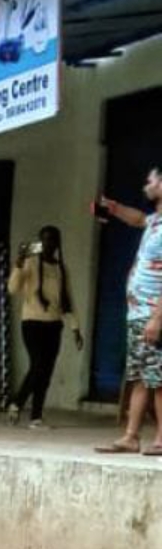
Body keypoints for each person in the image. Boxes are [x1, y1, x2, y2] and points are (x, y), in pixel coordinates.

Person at [97, 166, 162, 455]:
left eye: (150, 180)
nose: (145, 185)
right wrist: (113, 208)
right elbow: (137, 218)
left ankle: (161, 439)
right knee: (138, 376)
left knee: (158, 379)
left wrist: (157, 318)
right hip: (138, 315)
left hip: (153, 315)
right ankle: (131, 436)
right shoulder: (155, 221)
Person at [7, 226, 83, 428]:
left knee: (46, 371)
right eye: (44, 240)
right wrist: (18, 263)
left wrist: (75, 327)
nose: (48, 244)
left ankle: (36, 417)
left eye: (52, 240)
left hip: (54, 324)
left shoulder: (61, 268)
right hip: (32, 322)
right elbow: (13, 288)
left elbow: (68, 299)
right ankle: (17, 401)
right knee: (38, 365)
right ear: (39, 243)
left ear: (58, 244)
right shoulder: (30, 263)